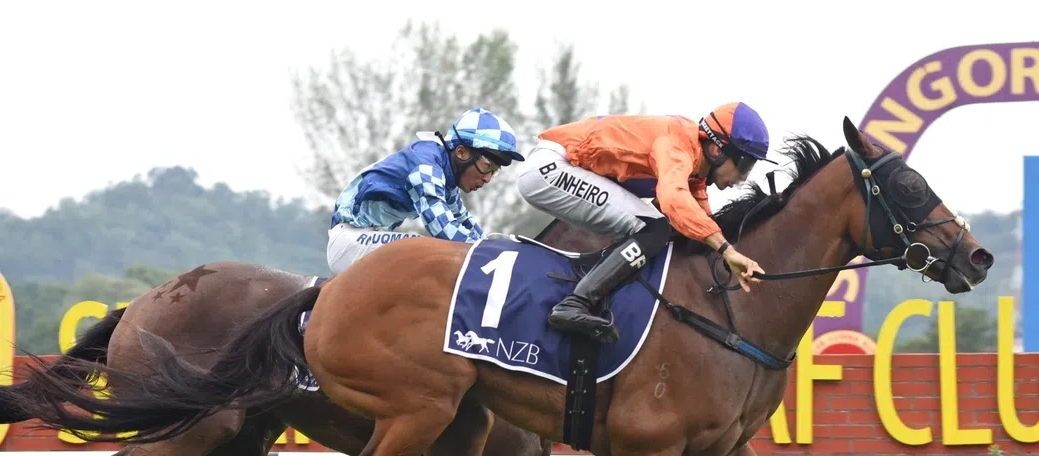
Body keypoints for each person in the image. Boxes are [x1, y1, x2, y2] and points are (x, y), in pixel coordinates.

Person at [517, 102, 773, 343]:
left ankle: (590, 288)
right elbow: (674, 201)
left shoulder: (695, 167)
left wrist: (732, 252)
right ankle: (575, 304)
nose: (744, 177)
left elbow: (701, 219)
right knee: (655, 227)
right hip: (551, 168)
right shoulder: (677, 144)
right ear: (717, 149)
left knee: (660, 228)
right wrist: (726, 250)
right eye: (745, 164)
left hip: (560, 168)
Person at [325, 107, 525, 275]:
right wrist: (491, 257)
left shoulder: (446, 177)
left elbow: (465, 223)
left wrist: (498, 252)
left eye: (495, 171)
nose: (487, 178)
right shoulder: (425, 166)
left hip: (370, 236)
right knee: (426, 249)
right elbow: (444, 230)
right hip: (348, 241)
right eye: (487, 166)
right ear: (462, 152)